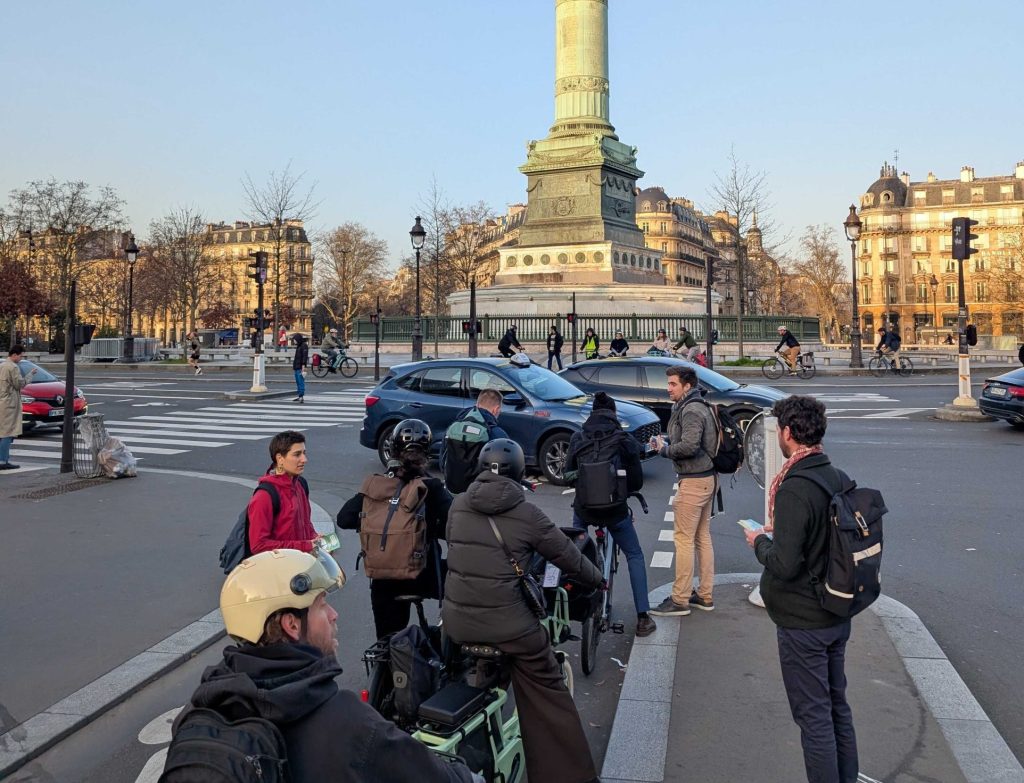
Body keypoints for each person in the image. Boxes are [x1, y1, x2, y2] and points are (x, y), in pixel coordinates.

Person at [166, 548, 478, 783]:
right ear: (292, 624)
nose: (333, 615)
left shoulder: (200, 708)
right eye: (322, 605)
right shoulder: (346, 721)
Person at [443, 438, 604, 783]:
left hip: (458, 623)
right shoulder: (527, 513)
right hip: (510, 628)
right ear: (519, 472)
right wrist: (597, 580)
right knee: (547, 690)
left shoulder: (458, 505)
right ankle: (570, 776)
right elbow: (568, 557)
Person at [744, 395, 858, 783]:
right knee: (836, 706)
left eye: (779, 429)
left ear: (788, 433)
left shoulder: (795, 487)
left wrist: (760, 541)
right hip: (836, 609)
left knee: (813, 717)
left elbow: (785, 564)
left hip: (803, 620)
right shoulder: (835, 476)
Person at [337, 419, 452, 639]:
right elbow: (456, 524)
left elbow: (344, 519)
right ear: (427, 451)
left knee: (387, 641)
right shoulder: (431, 487)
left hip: (384, 581)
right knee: (465, 581)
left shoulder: (375, 486)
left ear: (393, 450)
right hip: (423, 576)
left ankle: (386, 655)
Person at [565, 392, 655, 637]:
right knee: (634, 555)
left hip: (584, 510)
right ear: (614, 414)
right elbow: (636, 481)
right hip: (615, 511)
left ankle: (569, 606)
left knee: (575, 553)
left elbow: (567, 474)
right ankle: (643, 617)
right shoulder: (624, 439)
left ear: (592, 413)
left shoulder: (578, 437)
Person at [649, 365, 717, 617]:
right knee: (702, 537)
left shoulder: (691, 410)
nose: (668, 389)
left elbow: (689, 446)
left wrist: (664, 450)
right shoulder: (696, 405)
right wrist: (667, 442)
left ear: (687, 386)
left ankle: (680, 599)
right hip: (706, 477)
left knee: (684, 540)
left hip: (694, 481)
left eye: (673, 384)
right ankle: (705, 595)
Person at [248, 430, 319, 555]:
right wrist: (304, 546)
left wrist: (315, 538)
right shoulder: (264, 496)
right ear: (280, 458)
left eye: (304, 453)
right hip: (280, 565)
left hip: (301, 563)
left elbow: (306, 523)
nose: (304, 459)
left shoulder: (300, 484)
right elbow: (258, 545)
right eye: (297, 454)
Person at [440, 389, 510, 494]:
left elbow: (442, 461)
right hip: (479, 495)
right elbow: (505, 470)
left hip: (451, 492)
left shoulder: (454, 428)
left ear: (477, 404)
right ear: (496, 409)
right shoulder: (497, 434)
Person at [1, 345, 36, 471]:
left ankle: (3, 459)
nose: (21, 358)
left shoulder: (2, 365)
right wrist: (30, 374)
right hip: (10, 404)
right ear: (14, 355)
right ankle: (3, 460)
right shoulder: (13, 367)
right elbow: (19, 384)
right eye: (21, 356)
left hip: (2, 402)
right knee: (8, 432)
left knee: (2, 431)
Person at [292, 333, 309, 403]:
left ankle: (301, 396)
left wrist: (303, 365)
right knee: (298, 382)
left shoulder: (304, 345)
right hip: (297, 366)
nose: (294, 341)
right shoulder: (299, 346)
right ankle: (300, 396)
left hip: (300, 367)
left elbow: (305, 356)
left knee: (300, 381)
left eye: (294, 340)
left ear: (298, 339)